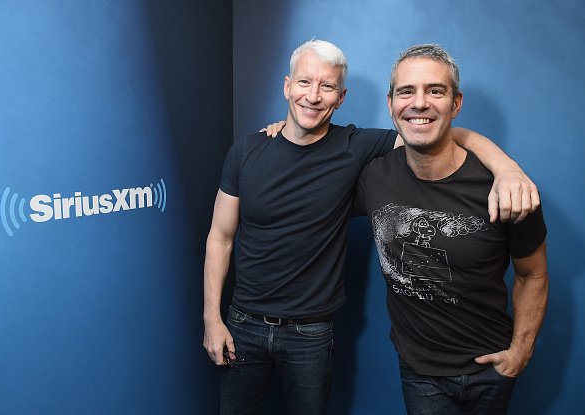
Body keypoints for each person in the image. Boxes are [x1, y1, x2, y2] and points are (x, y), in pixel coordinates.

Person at [203, 40, 539, 415]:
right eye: (303, 83)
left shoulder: (357, 147)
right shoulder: (247, 151)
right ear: (286, 86)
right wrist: (211, 318)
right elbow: (220, 237)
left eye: (326, 86)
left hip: (310, 333)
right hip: (243, 323)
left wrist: (506, 167)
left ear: (341, 97)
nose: (313, 96)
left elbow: (432, 130)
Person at [354, 44, 549, 414]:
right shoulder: (374, 177)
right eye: (406, 91)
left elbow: (533, 274)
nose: (420, 102)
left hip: (492, 369)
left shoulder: (506, 189)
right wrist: (289, 128)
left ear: (456, 103)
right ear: (391, 103)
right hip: (420, 372)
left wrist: (521, 351)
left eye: (435, 91)